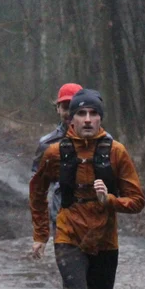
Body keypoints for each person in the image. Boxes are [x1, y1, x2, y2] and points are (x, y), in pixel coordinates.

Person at [30, 89, 145, 289]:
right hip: (68, 234)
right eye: (81, 114)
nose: (88, 119)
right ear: (71, 117)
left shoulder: (116, 152)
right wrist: (42, 233)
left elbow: (137, 201)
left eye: (93, 114)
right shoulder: (55, 152)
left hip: (106, 240)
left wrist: (108, 199)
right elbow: (37, 190)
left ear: (101, 118)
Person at [32, 83, 83, 226]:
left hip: (96, 221)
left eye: (75, 108)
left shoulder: (102, 141)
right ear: (58, 109)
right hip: (62, 219)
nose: (70, 113)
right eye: (66, 108)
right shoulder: (47, 144)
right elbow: (37, 186)